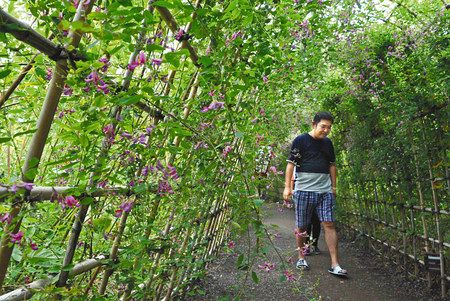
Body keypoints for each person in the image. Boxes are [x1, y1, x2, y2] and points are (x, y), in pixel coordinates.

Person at [283, 111, 347, 276]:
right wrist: (287, 188)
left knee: (329, 224)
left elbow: (332, 165)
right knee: (302, 226)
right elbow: (291, 164)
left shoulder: (328, 143)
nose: (326, 130)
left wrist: (333, 188)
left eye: (329, 128)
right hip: (304, 191)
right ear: (314, 124)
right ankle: (301, 257)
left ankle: (335, 263)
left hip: (324, 191)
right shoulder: (301, 140)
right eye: (323, 126)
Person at [291, 170, 321, 255]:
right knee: (305, 224)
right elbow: (292, 179)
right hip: (303, 194)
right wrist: (292, 191)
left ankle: (314, 245)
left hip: (318, 194)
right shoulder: (298, 164)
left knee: (316, 222)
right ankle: (306, 246)